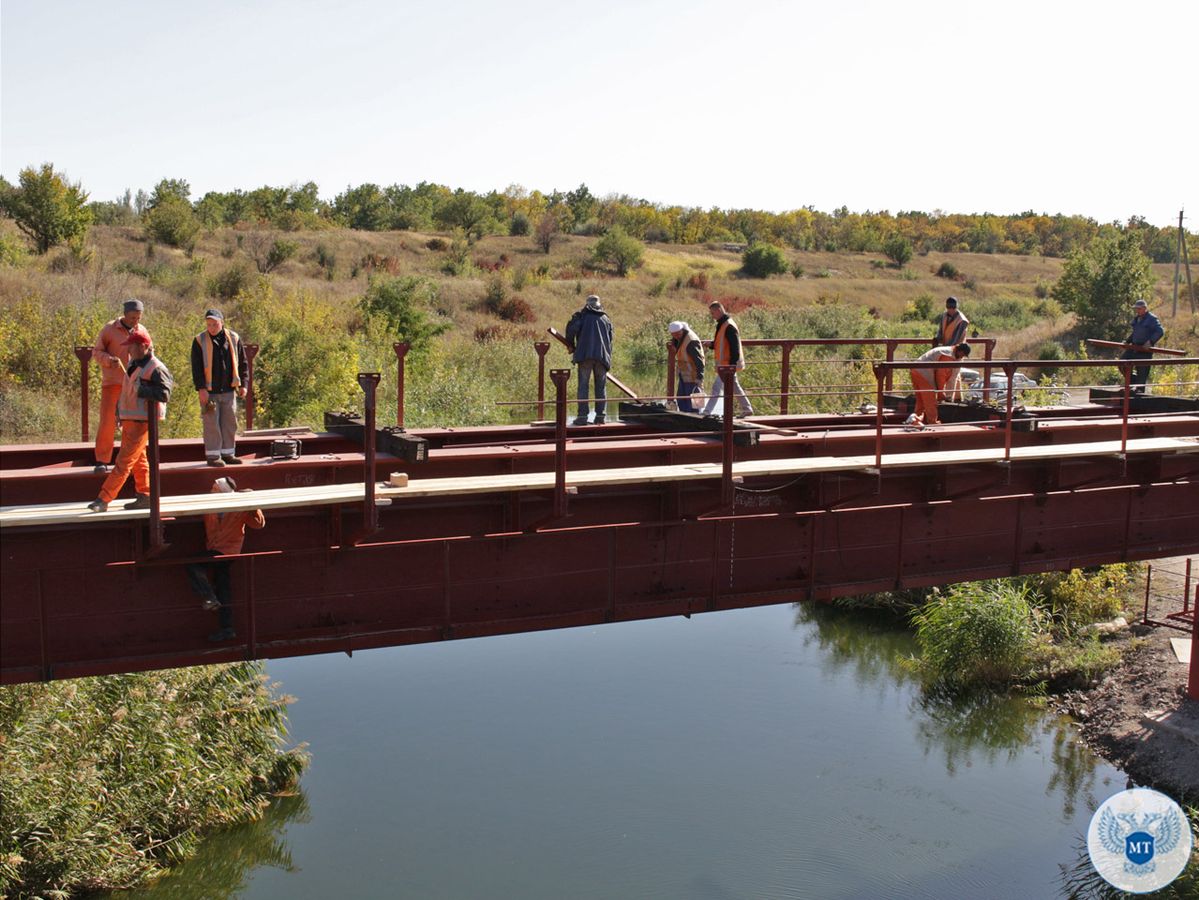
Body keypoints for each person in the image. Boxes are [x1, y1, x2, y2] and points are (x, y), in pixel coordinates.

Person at [86, 332, 173, 512]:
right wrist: (119, 410)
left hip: (141, 422)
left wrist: (142, 390)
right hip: (130, 420)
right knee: (139, 461)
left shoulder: (156, 368)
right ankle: (145, 496)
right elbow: (127, 390)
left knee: (123, 462)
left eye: (131, 346)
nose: (128, 349)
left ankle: (103, 499)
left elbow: (164, 394)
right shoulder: (134, 363)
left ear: (143, 346)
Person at [186, 476, 265, 643]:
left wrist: (253, 504)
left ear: (222, 491)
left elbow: (258, 524)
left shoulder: (239, 507)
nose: (211, 490)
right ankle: (227, 628)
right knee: (223, 587)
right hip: (217, 550)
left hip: (227, 551)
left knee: (194, 564)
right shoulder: (210, 505)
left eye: (215, 488)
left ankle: (209, 598)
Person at [90, 299, 151, 474]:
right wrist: (109, 361)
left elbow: (150, 352)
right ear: (125, 315)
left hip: (134, 385)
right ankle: (102, 460)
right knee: (108, 421)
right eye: (132, 317)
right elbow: (96, 352)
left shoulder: (142, 330)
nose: (135, 321)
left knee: (132, 422)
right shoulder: (110, 329)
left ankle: (130, 460)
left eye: (138, 317)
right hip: (112, 383)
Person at [191, 308, 248, 466]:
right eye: (209, 324)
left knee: (229, 423)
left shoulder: (234, 338)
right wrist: (201, 388)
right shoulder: (199, 340)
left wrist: (244, 384)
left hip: (229, 390)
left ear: (222, 323)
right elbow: (196, 368)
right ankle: (213, 456)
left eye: (214, 324)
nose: (211, 327)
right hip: (209, 392)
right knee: (211, 425)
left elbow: (243, 363)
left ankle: (228, 454)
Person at [565, 294, 613, 425]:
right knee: (601, 388)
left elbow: (571, 330)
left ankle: (582, 417)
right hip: (602, 358)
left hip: (585, 356)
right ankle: (600, 417)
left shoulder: (582, 316)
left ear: (587, 304)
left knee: (583, 387)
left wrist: (570, 345)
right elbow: (610, 341)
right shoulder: (606, 318)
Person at [700, 301, 753, 417]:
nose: (712, 316)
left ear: (719, 310)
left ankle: (706, 412)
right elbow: (722, 343)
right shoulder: (723, 324)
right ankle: (747, 408)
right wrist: (712, 344)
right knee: (735, 387)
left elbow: (734, 347)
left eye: (713, 313)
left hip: (727, 365)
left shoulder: (728, 325)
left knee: (716, 388)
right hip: (726, 364)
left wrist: (731, 366)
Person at [909, 342, 971, 426]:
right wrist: (941, 393)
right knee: (931, 400)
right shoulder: (947, 356)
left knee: (921, 401)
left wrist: (945, 394)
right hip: (924, 373)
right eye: (962, 354)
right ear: (959, 350)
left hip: (915, 370)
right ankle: (933, 424)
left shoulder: (947, 351)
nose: (962, 357)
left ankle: (916, 420)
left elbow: (950, 377)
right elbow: (940, 375)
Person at [1121, 298, 1164, 393]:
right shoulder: (1137, 319)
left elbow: (1160, 331)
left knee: (1142, 371)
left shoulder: (1152, 319)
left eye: (1139, 309)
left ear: (1145, 308)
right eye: (1136, 309)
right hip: (1134, 347)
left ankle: (1139, 390)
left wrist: (1150, 342)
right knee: (1122, 364)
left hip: (1144, 350)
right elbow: (1135, 333)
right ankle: (1134, 382)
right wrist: (1127, 341)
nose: (1137, 310)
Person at [668, 321, 705, 412]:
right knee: (681, 399)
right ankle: (685, 417)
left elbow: (699, 361)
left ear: (682, 330)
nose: (676, 337)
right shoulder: (682, 337)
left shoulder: (691, 341)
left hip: (693, 375)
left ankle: (696, 419)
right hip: (684, 374)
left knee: (694, 401)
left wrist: (699, 377)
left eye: (677, 334)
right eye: (674, 335)